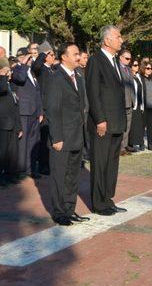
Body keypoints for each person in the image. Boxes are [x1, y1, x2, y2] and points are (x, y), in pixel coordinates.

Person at [44, 42, 89, 226]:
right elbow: (52, 110)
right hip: (62, 138)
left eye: (79, 53)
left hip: (77, 136)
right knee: (60, 177)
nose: (79, 57)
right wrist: (57, 138)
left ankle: (70, 209)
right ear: (64, 57)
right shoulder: (56, 78)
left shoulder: (78, 76)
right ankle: (59, 212)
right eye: (75, 53)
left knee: (72, 176)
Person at [86, 25, 127, 216]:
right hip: (103, 123)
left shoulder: (115, 61)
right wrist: (100, 119)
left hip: (117, 121)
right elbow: (93, 93)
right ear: (107, 40)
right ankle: (98, 204)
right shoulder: (96, 60)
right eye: (118, 37)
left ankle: (108, 199)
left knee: (112, 163)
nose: (121, 40)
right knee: (100, 163)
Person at [0, 58, 23, 186]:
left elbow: (16, 107)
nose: (9, 73)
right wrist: (3, 76)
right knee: (1, 153)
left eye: (9, 71)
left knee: (12, 152)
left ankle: (11, 174)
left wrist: (19, 125)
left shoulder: (11, 87)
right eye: (6, 71)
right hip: (1, 124)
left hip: (13, 124)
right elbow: (1, 89)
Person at [11, 48, 43, 179]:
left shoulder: (31, 72)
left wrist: (40, 111)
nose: (30, 60)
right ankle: (21, 169)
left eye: (30, 58)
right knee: (23, 142)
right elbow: (20, 79)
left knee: (33, 141)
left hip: (34, 112)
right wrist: (23, 64)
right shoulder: (16, 70)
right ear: (20, 58)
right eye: (27, 57)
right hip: (24, 112)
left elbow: (37, 93)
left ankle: (31, 169)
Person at [32, 41, 56, 175]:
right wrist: (42, 54)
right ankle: (43, 165)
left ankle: (49, 163)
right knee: (44, 138)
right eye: (50, 54)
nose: (53, 57)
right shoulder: (41, 69)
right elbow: (35, 66)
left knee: (51, 138)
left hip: (53, 107)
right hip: (44, 108)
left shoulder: (52, 69)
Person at [117, 48, 135, 155]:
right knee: (121, 126)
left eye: (130, 59)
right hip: (121, 103)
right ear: (120, 57)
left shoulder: (128, 69)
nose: (129, 60)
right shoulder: (116, 68)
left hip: (129, 102)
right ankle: (118, 148)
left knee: (127, 127)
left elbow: (132, 86)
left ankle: (123, 147)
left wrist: (133, 100)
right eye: (127, 58)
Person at [128, 58, 146, 151]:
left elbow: (141, 91)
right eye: (135, 65)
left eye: (137, 65)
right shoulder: (128, 76)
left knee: (139, 125)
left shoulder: (138, 76)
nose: (137, 67)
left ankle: (139, 142)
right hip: (132, 104)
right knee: (132, 125)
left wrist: (142, 104)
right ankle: (130, 144)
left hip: (139, 104)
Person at [141, 60, 152, 150]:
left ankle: (150, 144)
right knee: (142, 126)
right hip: (144, 107)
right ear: (143, 69)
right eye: (148, 68)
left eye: (151, 68)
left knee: (150, 127)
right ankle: (141, 143)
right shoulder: (140, 78)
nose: (150, 70)